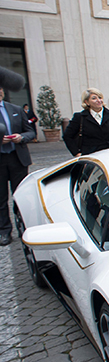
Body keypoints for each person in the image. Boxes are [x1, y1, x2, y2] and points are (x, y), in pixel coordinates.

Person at [0, 67, 35, 246]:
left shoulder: (15, 109)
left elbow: (30, 132)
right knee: (0, 199)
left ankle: (25, 227)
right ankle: (4, 231)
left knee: (21, 195)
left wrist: (21, 138)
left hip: (17, 158)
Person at [63, 88, 109, 156]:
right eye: (94, 98)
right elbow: (67, 136)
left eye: (100, 97)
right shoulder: (80, 117)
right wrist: (76, 153)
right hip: (90, 156)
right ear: (87, 102)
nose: (98, 100)